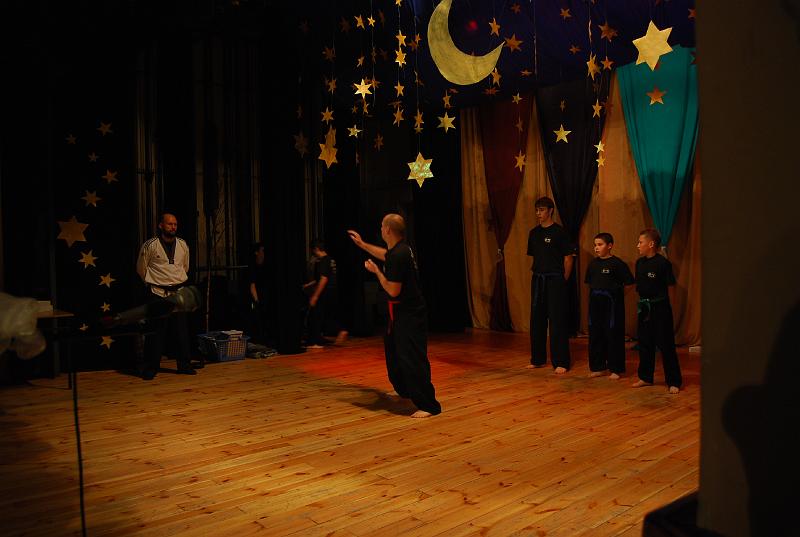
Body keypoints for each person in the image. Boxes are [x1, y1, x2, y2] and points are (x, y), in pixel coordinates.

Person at [348, 214, 441, 418]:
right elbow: (385, 255)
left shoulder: (399, 254)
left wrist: (376, 272)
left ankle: (429, 405)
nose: (381, 229)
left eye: (382, 226)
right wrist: (362, 245)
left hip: (410, 315)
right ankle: (405, 390)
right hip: (399, 313)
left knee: (412, 358)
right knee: (394, 354)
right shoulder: (400, 250)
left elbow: (393, 290)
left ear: (388, 230)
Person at [136, 213, 196, 380]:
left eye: (175, 224)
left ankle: (184, 365)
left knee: (181, 331)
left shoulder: (183, 245)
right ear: (161, 225)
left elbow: (185, 267)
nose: (173, 227)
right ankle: (150, 368)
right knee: (156, 331)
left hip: (178, 293)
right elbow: (141, 268)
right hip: (157, 293)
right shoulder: (150, 245)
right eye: (169, 224)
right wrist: (154, 282)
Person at [526, 197, 574, 374]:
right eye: (537, 210)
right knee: (537, 320)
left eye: (542, 210)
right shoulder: (533, 233)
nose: (538, 213)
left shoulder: (559, 232)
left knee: (557, 320)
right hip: (538, 280)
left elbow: (568, 259)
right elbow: (534, 257)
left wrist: (562, 280)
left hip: (555, 280)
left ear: (550, 210)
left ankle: (561, 361)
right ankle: (537, 359)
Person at [632, 228, 682, 394]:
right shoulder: (639, 263)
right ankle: (645, 377)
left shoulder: (663, 263)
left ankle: (673, 381)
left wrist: (670, 308)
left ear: (651, 244)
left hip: (660, 308)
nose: (638, 245)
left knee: (666, 345)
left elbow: (671, 287)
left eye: (641, 242)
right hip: (644, 307)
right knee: (645, 343)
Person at [584, 232, 635, 379]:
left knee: (613, 334)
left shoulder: (617, 264)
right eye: (595, 245)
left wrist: (616, 296)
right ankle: (598, 367)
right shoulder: (593, 264)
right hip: (595, 303)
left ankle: (615, 368)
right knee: (596, 334)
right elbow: (589, 283)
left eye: (600, 244)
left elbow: (629, 283)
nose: (596, 248)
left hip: (612, 305)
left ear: (610, 246)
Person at [303, 240, 347, 349]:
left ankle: (316, 341)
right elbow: (322, 277)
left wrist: (315, 295)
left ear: (316, 249)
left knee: (317, 315)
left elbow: (324, 279)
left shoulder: (323, 261)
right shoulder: (331, 260)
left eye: (313, 251)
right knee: (328, 314)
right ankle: (339, 330)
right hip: (332, 291)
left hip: (325, 291)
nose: (313, 253)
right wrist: (308, 285)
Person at [248, 242, 269, 344]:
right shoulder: (253, 267)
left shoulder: (264, 266)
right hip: (258, 299)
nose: (263, 253)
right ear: (256, 252)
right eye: (262, 251)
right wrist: (256, 300)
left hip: (265, 297)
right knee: (258, 320)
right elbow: (252, 286)